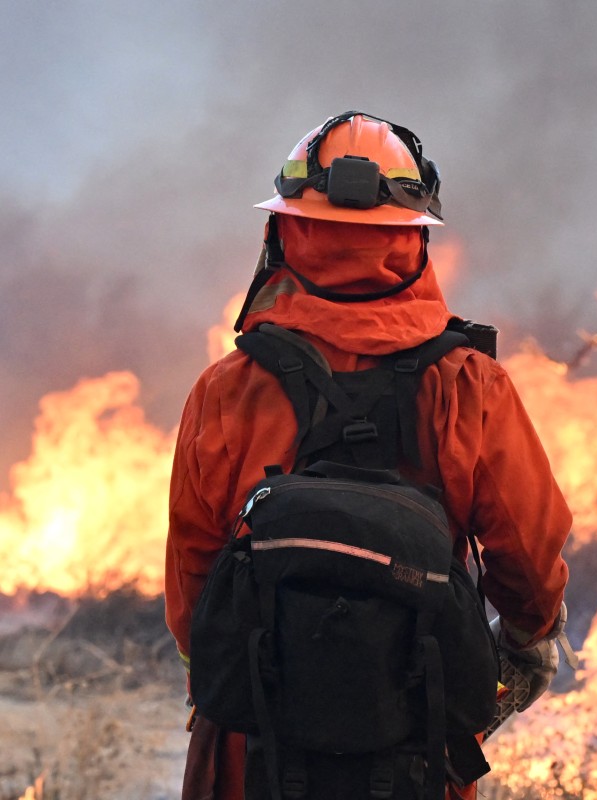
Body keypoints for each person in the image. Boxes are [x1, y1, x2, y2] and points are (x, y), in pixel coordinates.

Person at [165, 111, 572, 799]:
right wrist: (530, 639)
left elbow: (192, 580)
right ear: (413, 239)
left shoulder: (227, 390)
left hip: (255, 743)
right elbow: (528, 556)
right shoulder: (469, 385)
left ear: (285, 231)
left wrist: (215, 681)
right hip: (414, 740)